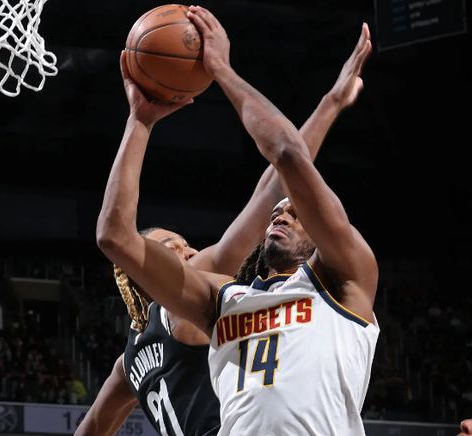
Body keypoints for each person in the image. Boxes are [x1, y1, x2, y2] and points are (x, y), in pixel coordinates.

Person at [78, 9, 373, 436]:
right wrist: (141, 119)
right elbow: (115, 236)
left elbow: (283, 168)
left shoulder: (135, 360)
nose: (191, 253)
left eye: (187, 246)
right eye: (174, 249)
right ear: (138, 276)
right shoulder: (211, 301)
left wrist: (148, 116)